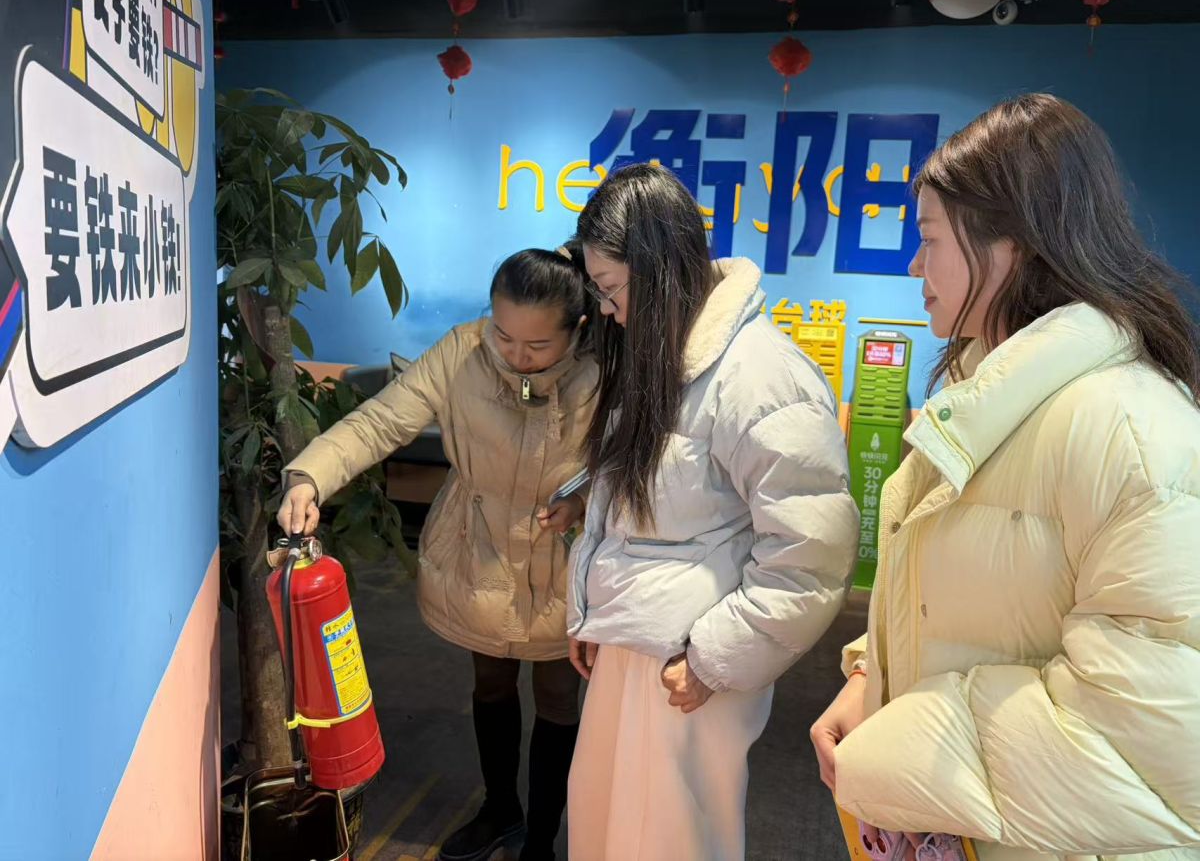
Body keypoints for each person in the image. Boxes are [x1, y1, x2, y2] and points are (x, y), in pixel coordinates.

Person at [810, 94, 1200, 861]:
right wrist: (870, 679)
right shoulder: (983, 397)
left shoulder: (1129, 428)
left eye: (929, 238)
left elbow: (1150, 746)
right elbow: (969, 607)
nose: (915, 266)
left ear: (1010, 244)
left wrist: (894, 751)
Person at [564, 163, 860, 861]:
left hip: (689, 663)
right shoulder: (663, 355)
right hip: (639, 644)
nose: (607, 311)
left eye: (611, 289)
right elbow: (630, 505)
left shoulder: (761, 374)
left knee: (669, 839)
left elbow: (812, 554)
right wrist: (593, 611)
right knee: (609, 825)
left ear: (657, 270)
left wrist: (714, 658)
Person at [279, 245, 598, 861]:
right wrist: (309, 476)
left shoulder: (604, 371)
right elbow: (380, 422)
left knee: (561, 695)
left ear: (578, 329)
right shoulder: (461, 352)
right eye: (503, 335)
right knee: (490, 681)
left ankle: (540, 840)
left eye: (537, 346)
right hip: (478, 545)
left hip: (565, 556)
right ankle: (500, 810)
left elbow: (628, 461)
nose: (516, 355)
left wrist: (583, 500)